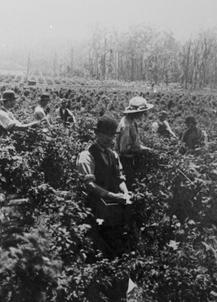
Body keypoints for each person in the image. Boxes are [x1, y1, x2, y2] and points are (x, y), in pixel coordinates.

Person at [77, 115, 134, 301]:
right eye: (107, 136)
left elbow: (120, 179)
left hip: (112, 210)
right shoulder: (86, 156)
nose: (111, 139)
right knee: (96, 248)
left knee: (116, 247)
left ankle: (116, 289)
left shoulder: (113, 154)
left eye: (112, 136)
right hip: (93, 209)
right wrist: (113, 196)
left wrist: (124, 193)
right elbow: (90, 186)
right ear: (98, 135)